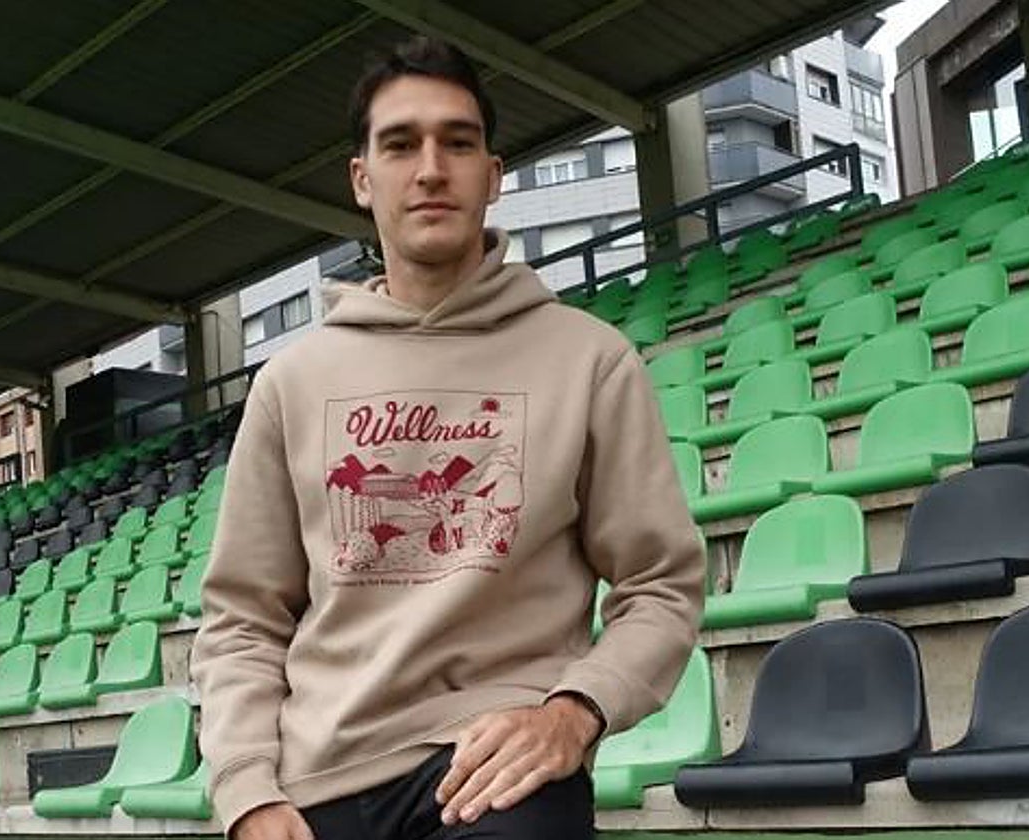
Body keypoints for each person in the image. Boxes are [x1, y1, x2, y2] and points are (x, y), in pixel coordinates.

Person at [191, 35, 705, 840]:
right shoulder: (291, 383)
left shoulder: (589, 360)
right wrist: (247, 793)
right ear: (363, 179)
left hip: (492, 766)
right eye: (401, 144)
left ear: (492, 175)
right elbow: (243, 622)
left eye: (457, 143)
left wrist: (575, 712)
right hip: (315, 781)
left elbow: (660, 585)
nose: (430, 168)